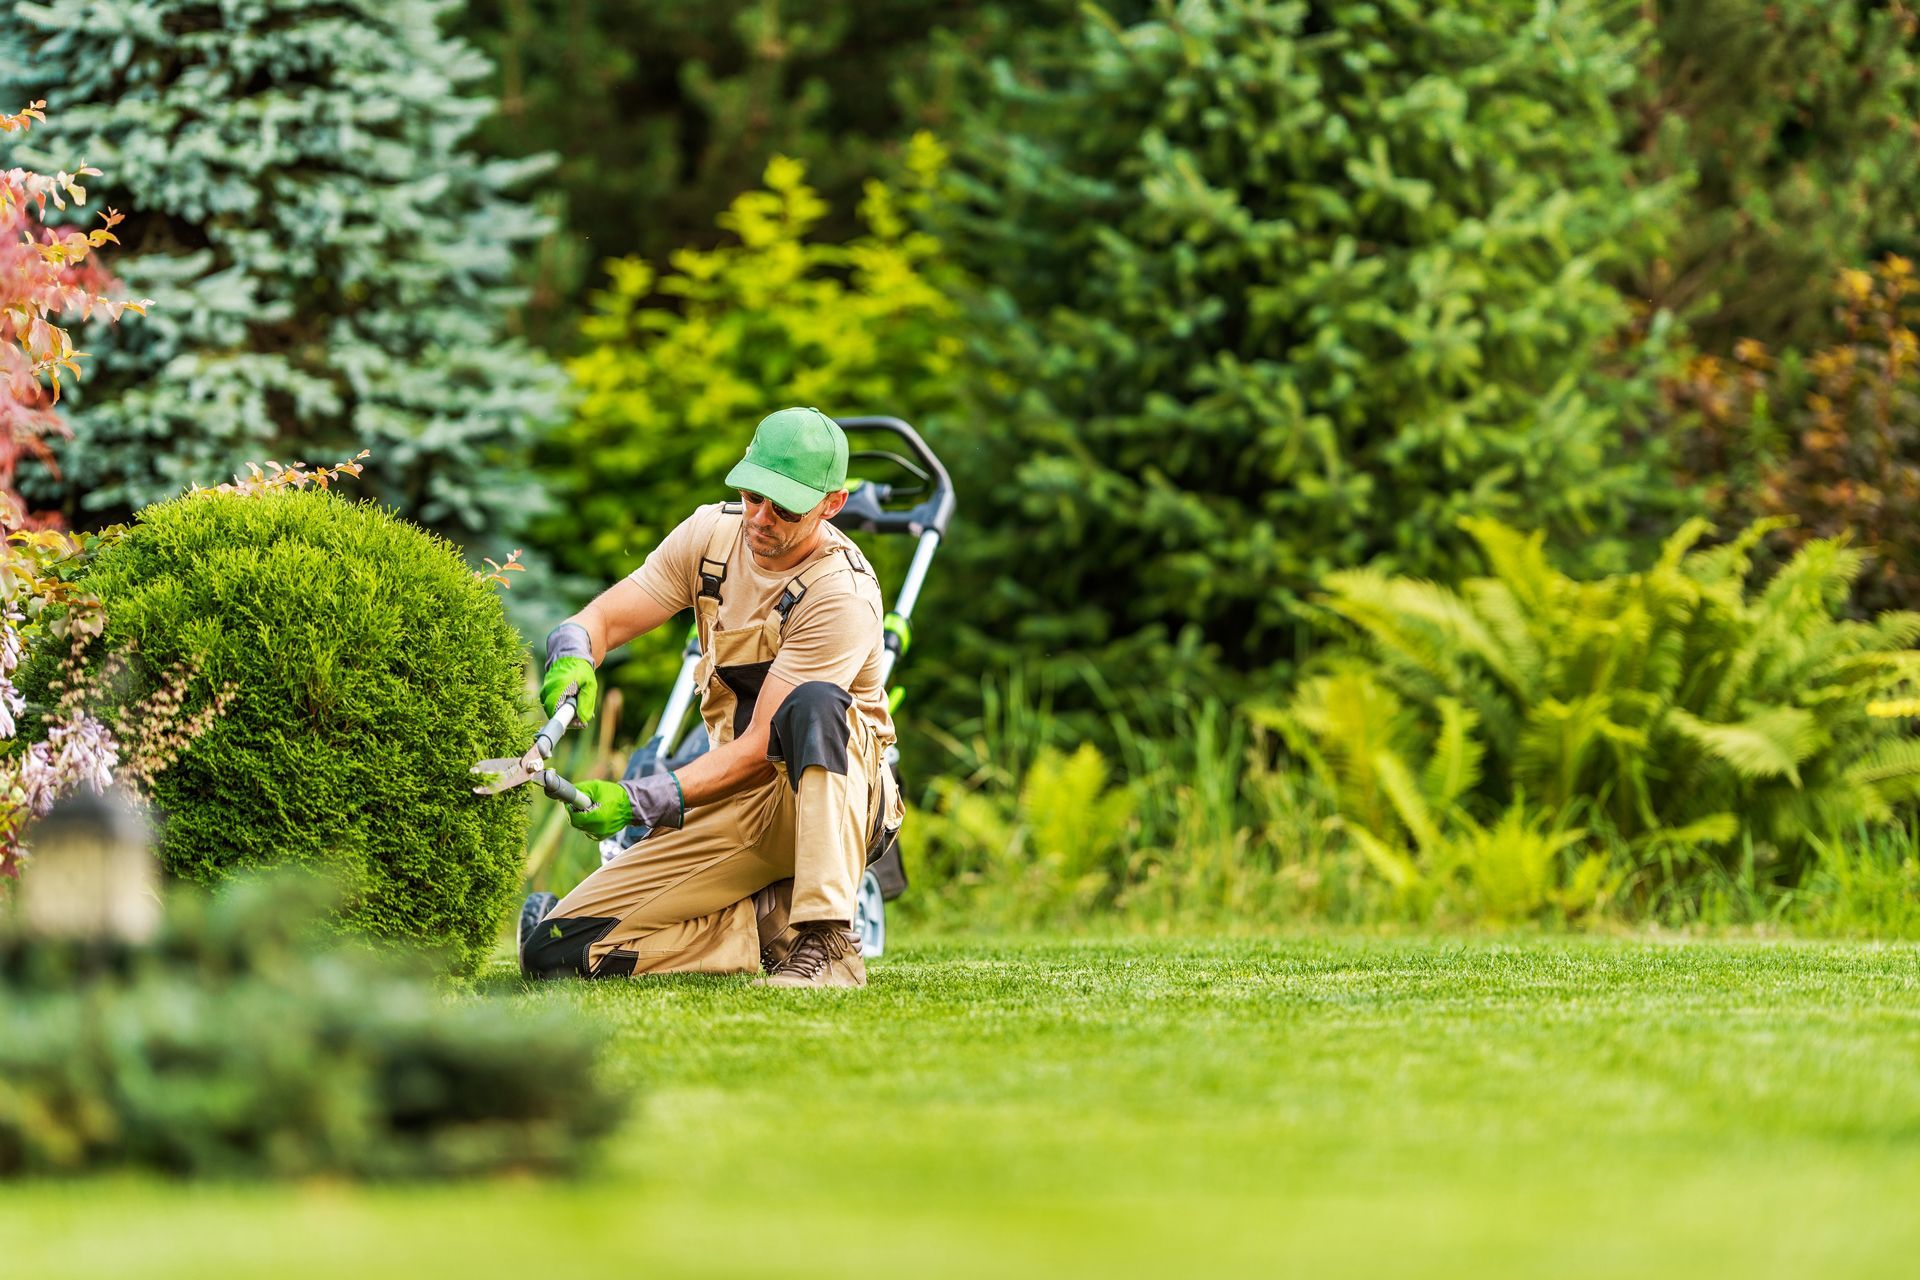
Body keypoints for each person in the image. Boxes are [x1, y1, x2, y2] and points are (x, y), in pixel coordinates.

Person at [519, 407, 902, 988]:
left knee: (814, 704)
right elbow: (602, 619)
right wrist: (572, 652)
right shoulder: (710, 536)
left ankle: (828, 941)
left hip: (829, 800)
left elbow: (756, 750)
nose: (762, 518)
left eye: (786, 507)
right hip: (733, 801)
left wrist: (638, 799)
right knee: (552, 952)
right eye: (753, 496)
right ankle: (760, 922)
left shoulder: (841, 593)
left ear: (832, 504)